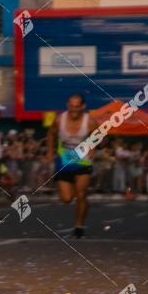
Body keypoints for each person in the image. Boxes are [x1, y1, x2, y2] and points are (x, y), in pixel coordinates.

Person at [46, 94, 95, 238]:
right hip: (64, 160)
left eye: (77, 106)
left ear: (83, 106)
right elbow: (50, 134)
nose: (74, 109)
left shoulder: (90, 121)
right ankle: (79, 194)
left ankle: (78, 226)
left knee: (81, 194)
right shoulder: (59, 119)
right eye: (71, 106)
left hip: (83, 159)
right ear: (67, 105)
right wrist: (49, 151)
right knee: (66, 199)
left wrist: (93, 147)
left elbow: (98, 135)